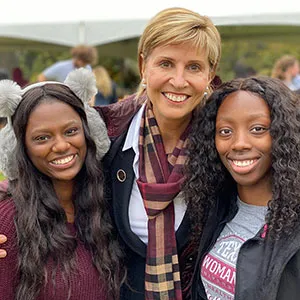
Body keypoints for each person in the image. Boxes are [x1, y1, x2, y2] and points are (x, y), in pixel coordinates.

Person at [0, 7, 222, 300]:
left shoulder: (222, 145)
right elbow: (42, 171)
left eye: (194, 67)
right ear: (144, 66)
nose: (179, 81)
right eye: (166, 64)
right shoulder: (108, 133)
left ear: (210, 75)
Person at [0, 68, 124, 299]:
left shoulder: (107, 203)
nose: (60, 146)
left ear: (90, 134)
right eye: (41, 138)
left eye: (71, 131)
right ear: (20, 148)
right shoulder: (7, 222)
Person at [185, 76, 300, 300]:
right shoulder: (215, 208)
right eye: (225, 131)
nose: (239, 143)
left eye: (257, 129)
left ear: (284, 134)